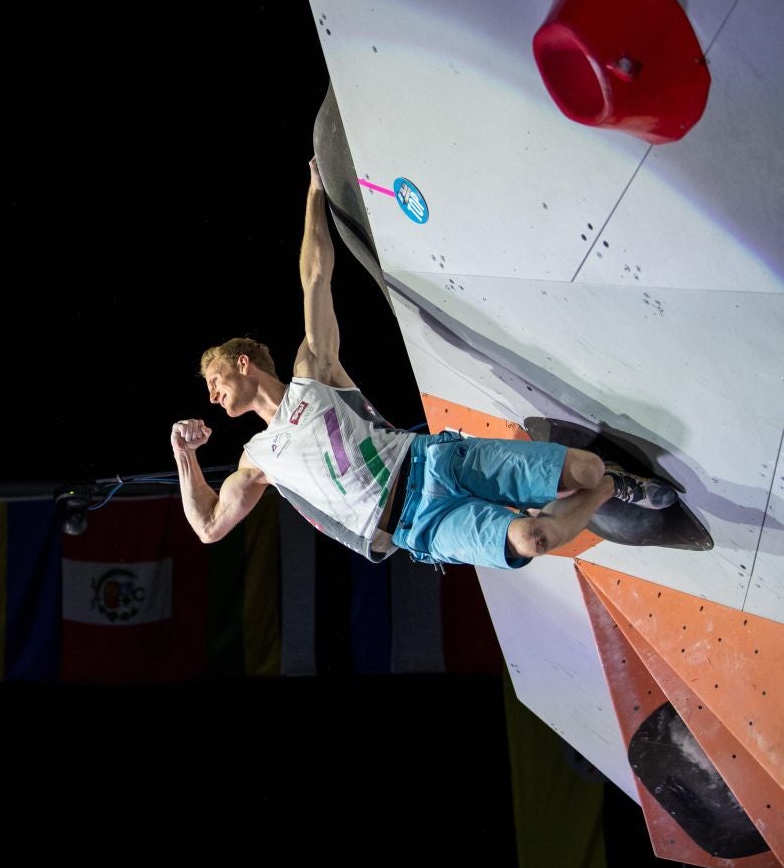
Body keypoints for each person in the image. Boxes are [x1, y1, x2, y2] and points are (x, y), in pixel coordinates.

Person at [169, 157, 677, 570]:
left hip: (435, 460)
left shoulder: (313, 372)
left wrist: (314, 193)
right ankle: (614, 487)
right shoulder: (257, 458)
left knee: (582, 468)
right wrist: (182, 455)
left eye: (215, 381)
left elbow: (315, 276)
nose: (212, 396)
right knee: (535, 539)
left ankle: (603, 478)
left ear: (242, 363)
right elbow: (209, 527)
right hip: (415, 526)